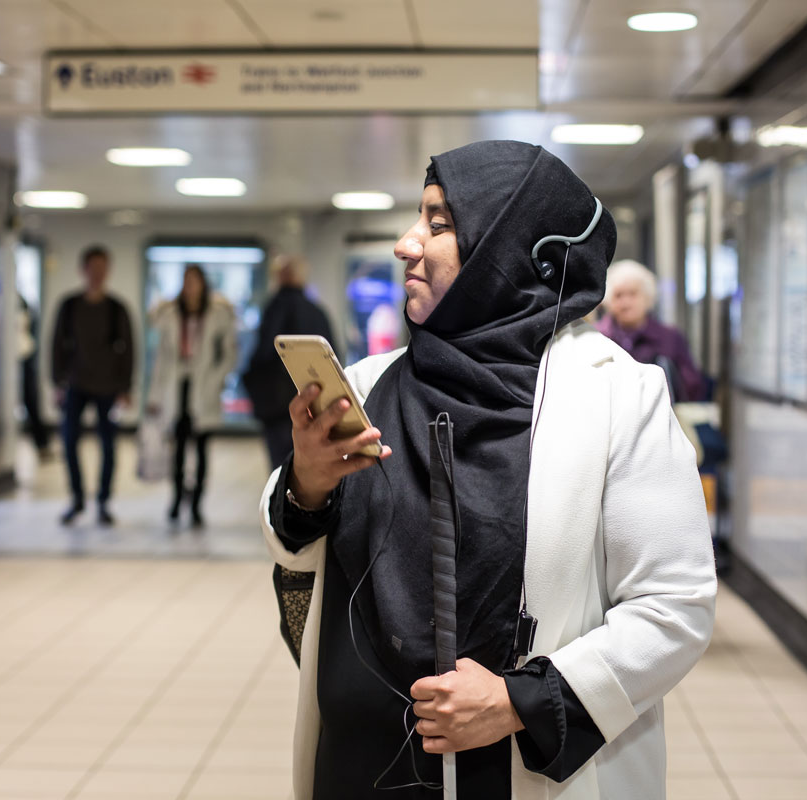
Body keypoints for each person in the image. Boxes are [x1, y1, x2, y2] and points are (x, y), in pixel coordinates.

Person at [259, 141, 716, 799]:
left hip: (523, 772)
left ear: (509, 247)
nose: (405, 243)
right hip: (363, 767)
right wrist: (306, 481)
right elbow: (298, 557)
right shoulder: (368, 385)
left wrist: (517, 702)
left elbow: (676, 605)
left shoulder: (616, 397)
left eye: (439, 223)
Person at [146, 265, 237, 528]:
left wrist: (216, 378)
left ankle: (197, 504)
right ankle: (175, 500)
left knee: (201, 449)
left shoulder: (218, 315)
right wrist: (154, 395)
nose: (190, 287)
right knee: (177, 449)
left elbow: (229, 354)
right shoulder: (171, 314)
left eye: (194, 281)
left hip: (204, 387)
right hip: (178, 388)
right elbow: (161, 357)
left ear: (203, 284)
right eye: (186, 281)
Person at [50, 245, 134, 527]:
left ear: (107, 272)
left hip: (108, 387)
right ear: (83, 270)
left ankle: (103, 500)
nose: (97, 274)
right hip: (75, 383)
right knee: (69, 441)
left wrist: (126, 387)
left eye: (102, 268)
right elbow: (56, 345)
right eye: (92, 268)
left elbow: (128, 349)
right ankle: (76, 498)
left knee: (108, 446)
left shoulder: (116, 308)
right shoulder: (70, 305)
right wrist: (56, 382)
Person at [244, 255, 335, 470]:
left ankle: (283, 501)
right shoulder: (318, 312)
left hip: (276, 405)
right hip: (312, 401)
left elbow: (262, 353)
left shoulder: (274, 308)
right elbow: (332, 357)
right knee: (305, 465)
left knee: (279, 466)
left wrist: (250, 382)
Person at [596, 259, 708, 402]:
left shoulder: (670, 338)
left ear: (648, 297)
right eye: (618, 295)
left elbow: (692, 388)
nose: (626, 303)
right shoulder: (597, 337)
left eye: (633, 294)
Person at [16, 293, 50, 459]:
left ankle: (42, 444)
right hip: (21, 359)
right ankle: (42, 444)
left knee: (31, 401)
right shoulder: (18, 302)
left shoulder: (21, 304)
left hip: (24, 359)